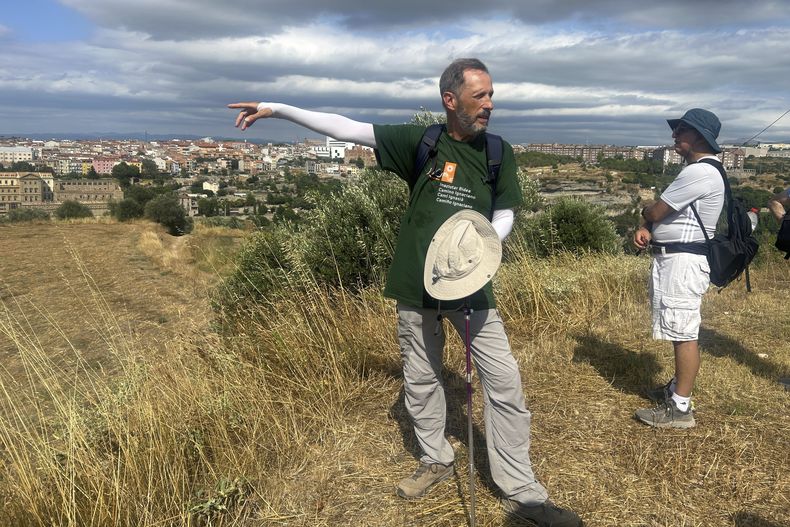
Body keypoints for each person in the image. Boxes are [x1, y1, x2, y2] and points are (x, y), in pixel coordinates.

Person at [228, 58, 582, 527]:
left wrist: (482, 248)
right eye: (479, 96)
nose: (490, 105)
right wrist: (276, 108)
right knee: (420, 376)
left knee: (504, 381)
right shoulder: (423, 142)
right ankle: (436, 459)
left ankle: (523, 494)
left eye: (491, 95)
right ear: (450, 100)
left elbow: (505, 211)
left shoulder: (498, 152)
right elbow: (347, 128)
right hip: (415, 282)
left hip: (471, 286)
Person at [633, 108, 726, 429]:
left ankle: (680, 407)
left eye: (681, 130)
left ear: (699, 136)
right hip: (679, 260)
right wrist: (648, 224)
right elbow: (662, 216)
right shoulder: (703, 171)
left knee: (684, 333)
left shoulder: (699, 172)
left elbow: (657, 210)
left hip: (682, 262)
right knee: (680, 329)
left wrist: (647, 214)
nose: (674, 135)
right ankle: (676, 390)